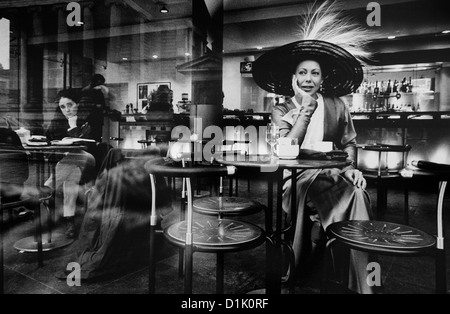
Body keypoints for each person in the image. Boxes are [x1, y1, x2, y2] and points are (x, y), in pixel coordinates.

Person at [252, 0, 375, 294]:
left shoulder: (337, 105)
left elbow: (349, 143)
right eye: (303, 73)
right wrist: (304, 109)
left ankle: (357, 279)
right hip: (296, 179)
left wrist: (353, 169)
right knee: (337, 197)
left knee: (358, 193)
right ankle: (328, 265)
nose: (309, 79)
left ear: (323, 78)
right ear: (293, 78)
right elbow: (286, 151)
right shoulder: (282, 109)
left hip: (333, 174)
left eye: (315, 73)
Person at [45, 89, 100, 239]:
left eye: (70, 104)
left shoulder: (88, 120)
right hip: (71, 164)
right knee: (71, 178)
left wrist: (73, 126)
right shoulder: (57, 122)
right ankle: (69, 220)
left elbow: (86, 146)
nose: (67, 109)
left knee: (76, 155)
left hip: (89, 159)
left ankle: (47, 187)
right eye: (63, 107)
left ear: (78, 104)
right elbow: (49, 141)